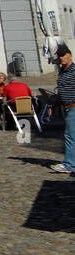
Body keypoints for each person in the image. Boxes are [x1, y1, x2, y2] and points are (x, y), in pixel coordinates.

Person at [49, 43, 75, 173]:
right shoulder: (61, 71)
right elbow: (62, 90)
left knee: (70, 136)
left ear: (70, 55)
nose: (61, 58)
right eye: (59, 55)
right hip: (66, 107)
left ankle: (69, 165)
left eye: (63, 55)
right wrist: (55, 103)